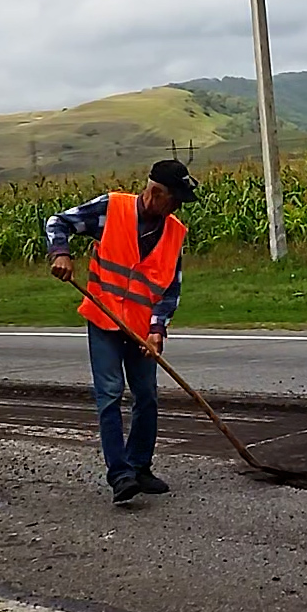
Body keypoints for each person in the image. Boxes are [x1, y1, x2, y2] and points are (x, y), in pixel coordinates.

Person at [45, 159, 198, 505]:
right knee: (110, 393)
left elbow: (169, 290)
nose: (177, 209)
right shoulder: (110, 209)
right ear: (156, 193)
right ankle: (120, 475)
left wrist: (158, 331)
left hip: (141, 328)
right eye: (174, 200)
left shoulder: (173, 233)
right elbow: (58, 222)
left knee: (147, 395)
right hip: (104, 318)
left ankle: (140, 466)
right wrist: (61, 252)